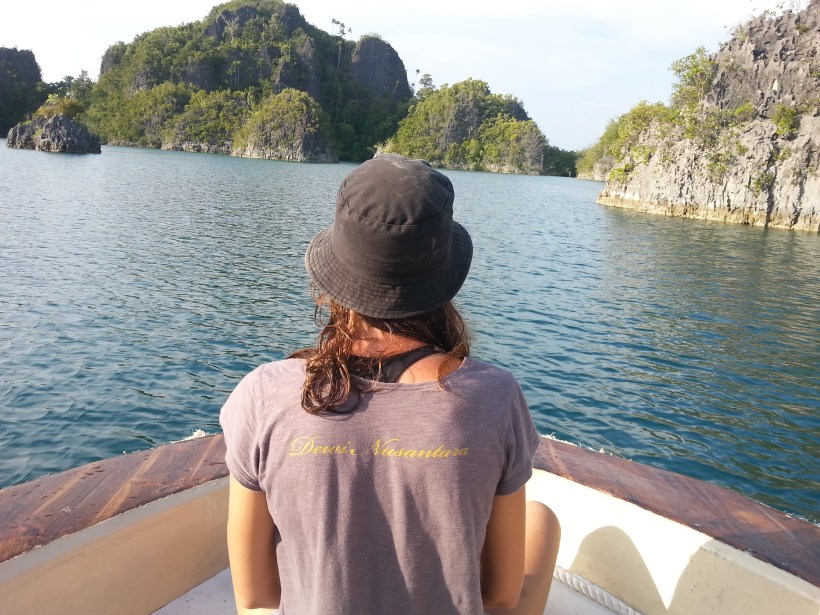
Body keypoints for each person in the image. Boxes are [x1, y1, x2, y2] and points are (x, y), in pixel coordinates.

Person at [220, 154, 561, 615]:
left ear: (334, 280)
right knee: (542, 522)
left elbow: (256, 599)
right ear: (444, 278)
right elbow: (499, 598)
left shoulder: (264, 393)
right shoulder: (495, 397)